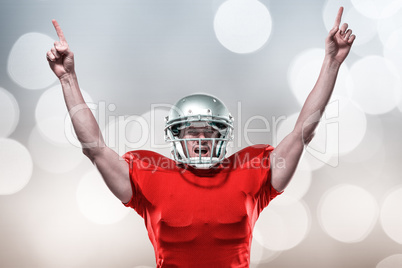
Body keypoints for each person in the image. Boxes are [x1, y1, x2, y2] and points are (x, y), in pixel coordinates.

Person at [46, 6, 355, 268]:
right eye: (192, 131)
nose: (201, 138)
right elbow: (94, 148)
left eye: (210, 131)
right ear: (176, 136)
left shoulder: (250, 170)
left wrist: (332, 63)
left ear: (223, 135)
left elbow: (304, 131)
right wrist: (68, 78)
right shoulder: (149, 174)